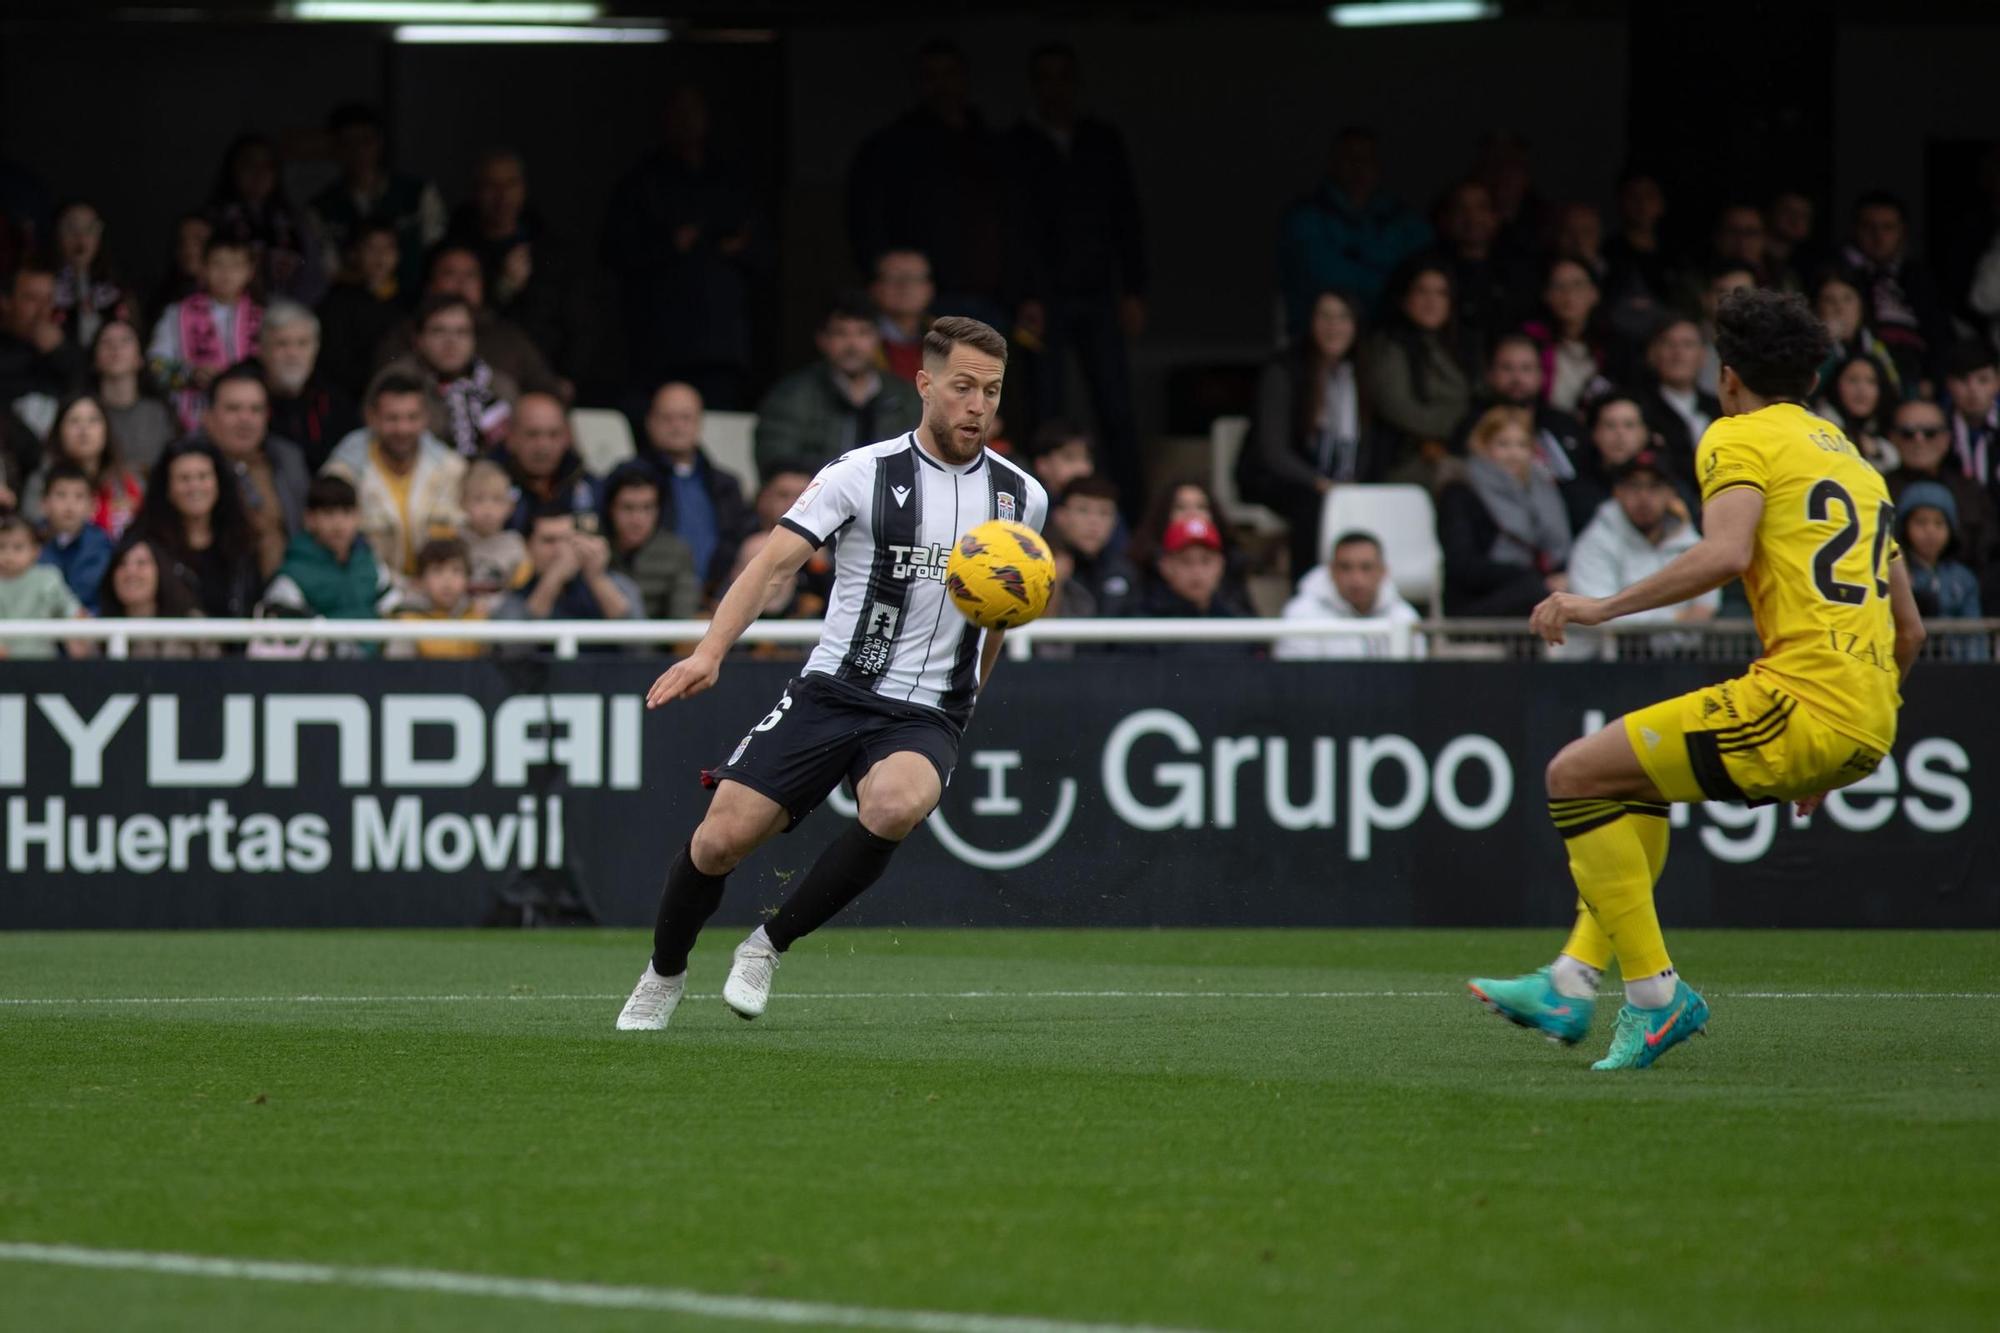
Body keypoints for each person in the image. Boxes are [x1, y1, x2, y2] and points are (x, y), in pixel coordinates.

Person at [1474, 288, 1924, 1070]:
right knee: (1627, 785)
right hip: (1867, 716)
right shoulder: (1857, 465)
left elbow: (1723, 554)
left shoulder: (1737, 435)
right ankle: (1570, 980)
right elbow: (1910, 629)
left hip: (1802, 700)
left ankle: (1655, 996)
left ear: (1726, 378)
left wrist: (1599, 605)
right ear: (1813, 381)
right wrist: (1848, 739)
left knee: (1572, 775)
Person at [615, 317, 1046, 1032]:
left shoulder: (1021, 497)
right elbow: (772, 564)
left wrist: (968, 701)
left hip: (926, 711)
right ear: (926, 383)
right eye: (964, 387)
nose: (978, 405)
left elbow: (1000, 613)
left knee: (896, 804)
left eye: (992, 391)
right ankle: (664, 971)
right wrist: (710, 650)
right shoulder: (861, 472)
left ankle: (767, 945)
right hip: (834, 690)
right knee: (720, 839)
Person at [1007, 44, 1148, 510]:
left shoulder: (1101, 140)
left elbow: (1127, 218)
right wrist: (1023, 295)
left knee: (1116, 406)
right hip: (1042, 298)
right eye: (1045, 78)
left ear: (1076, 84)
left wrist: (1133, 289)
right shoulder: (1018, 143)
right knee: (1046, 406)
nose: (1055, 88)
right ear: (1033, 86)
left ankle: (1124, 511)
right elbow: (1014, 228)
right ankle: (1043, 508)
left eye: (1063, 77)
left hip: (1099, 291)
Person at [603, 85, 758, 409]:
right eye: (679, 113)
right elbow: (615, 253)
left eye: (694, 113)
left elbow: (757, 248)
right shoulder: (643, 182)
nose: (687, 122)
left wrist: (726, 249)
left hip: (720, 343)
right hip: (658, 340)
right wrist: (672, 246)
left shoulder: (728, 179)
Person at [847, 44, 1009, 325]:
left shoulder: (990, 145)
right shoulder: (893, 146)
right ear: (919, 84)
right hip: (921, 298)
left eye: (949, 74)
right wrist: (886, 282)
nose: (942, 85)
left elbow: (1014, 220)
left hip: (993, 296)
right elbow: (867, 221)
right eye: (932, 76)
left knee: (990, 369)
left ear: (964, 78)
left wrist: (1021, 290)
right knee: (926, 369)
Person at [1243, 289, 1370, 577]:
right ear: (1311, 322)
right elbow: (1273, 452)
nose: (1333, 327)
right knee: (1312, 504)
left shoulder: (1360, 373)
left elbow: (1369, 440)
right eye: (1324, 317)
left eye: (1342, 318)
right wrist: (1318, 482)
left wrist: (1355, 480)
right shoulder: (1285, 369)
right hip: (1280, 478)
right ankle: (1308, 588)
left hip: (1340, 478)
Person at [1562, 449, 1719, 657]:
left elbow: (1702, 615)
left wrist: (1677, 625)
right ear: (1618, 492)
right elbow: (1597, 613)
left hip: (1672, 663)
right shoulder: (1596, 541)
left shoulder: (1690, 543)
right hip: (1595, 666)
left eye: (1654, 487)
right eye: (1634, 486)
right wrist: (1676, 621)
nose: (1644, 497)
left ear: (1671, 493)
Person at [1279, 126, 1430, 332]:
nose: (1358, 166)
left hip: (1389, 335)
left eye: (1366, 158)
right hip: (1321, 338)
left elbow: (1424, 271)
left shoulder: (1402, 219)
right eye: (1350, 158)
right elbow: (1327, 277)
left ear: (1377, 165)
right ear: (1333, 163)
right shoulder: (1305, 218)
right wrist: (1390, 281)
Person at [753, 294, 923, 475]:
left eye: (863, 333)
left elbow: (922, 457)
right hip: (816, 495)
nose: (852, 344)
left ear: (877, 339)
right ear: (822, 340)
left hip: (888, 497)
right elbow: (775, 459)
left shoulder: (905, 396)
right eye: (841, 333)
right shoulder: (792, 395)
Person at [321, 371, 467, 582]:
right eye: (392, 418)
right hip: (371, 594)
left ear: (425, 418)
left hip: (436, 599)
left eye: (412, 417)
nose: (402, 428)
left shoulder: (451, 470)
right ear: (371, 418)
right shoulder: (343, 474)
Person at [446, 148, 579, 376]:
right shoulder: (456, 251)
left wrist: (569, 378)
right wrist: (503, 288)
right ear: (476, 191)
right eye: (491, 185)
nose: (502, 196)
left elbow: (577, 322)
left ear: (523, 189)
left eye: (510, 184)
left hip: (544, 375)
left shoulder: (550, 250)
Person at [376, 243, 561, 399]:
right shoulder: (403, 335)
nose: (461, 282)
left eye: (470, 275)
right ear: (430, 283)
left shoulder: (508, 339)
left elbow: (548, 393)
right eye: (450, 273)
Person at [1437, 406, 1571, 616]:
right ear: (1483, 446)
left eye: (1522, 445)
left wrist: (1558, 576)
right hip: (1478, 600)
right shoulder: (1461, 492)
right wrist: (1531, 577)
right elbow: (1463, 566)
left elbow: (1557, 551)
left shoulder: (1544, 487)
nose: (1514, 454)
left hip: (1538, 588)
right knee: (1537, 594)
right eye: (1503, 444)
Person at [309, 103, 447, 298]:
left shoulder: (418, 193)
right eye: (348, 143)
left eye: (366, 141)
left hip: (413, 302)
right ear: (336, 148)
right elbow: (325, 269)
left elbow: (439, 254)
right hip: (352, 306)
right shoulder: (322, 208)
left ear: (379, 142)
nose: (358, 151)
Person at [636, 380, 758, 599]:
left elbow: (739, 541)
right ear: (650, 423)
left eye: (685, 418)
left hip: (716, 600)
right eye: (667, 418)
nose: (677, 426)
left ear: (699, 423)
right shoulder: (630, 479)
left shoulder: (726, 485)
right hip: (651, 600)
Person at [1362, 256, 1477, 481]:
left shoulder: (1460, 346)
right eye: (1422, 291)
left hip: (1464, 448)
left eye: (1441, 293)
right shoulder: (1387, 346)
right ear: (1404, 298)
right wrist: (1464, 426)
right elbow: (1401, 410)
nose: (1431, 301)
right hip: (1410, 458)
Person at [130, 436, 262, 619]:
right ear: (167, 488)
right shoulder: (146, 545)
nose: (195, 486)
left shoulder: (242, 542)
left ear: (218, 483)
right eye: (184, 479)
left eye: (203, 476)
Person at [202, 365, 311, 579]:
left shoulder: (288, 460)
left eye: (256, 409)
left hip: (288, 595)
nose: (246, 419)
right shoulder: (189, 464)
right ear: (208, 417)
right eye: (233, 409)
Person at [379, 292, 518, 457]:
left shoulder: (499, 386)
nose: (451, 341)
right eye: (439, 331)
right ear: (418, 340)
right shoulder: (396, 380)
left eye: (461, 332)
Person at [149, 234, 262, 434]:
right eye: (218, 264)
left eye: (235, 265)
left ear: (250, 271)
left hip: (247, 419)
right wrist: (190, 374)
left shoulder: (264, 318)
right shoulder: (176, 313)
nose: (226, 273)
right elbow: (154, 365)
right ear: (203, 268)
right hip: (193, 419)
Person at [1840, 191, 1951, 392]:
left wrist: (1932, 380)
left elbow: (1940, 335)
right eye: (1869, 227)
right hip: (1862, 375)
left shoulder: (1919, 278)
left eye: (1888, 228)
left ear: (1902, 232)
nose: (1878, 236)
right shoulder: (1841, 275)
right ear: (1855, 230)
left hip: (1915, 373)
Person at [492, 504, 641, 651]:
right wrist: (554, 579)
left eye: (567, 539)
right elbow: (512, 649)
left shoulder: (615, 583)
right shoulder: (515, 595)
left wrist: (596, 578)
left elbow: (640, 645)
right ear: (528, 545)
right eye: (549, 541)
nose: (560, 550)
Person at [260, 474, 399, 629]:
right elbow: (282, 634)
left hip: (375, 652)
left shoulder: (371, 565)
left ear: (358, 517)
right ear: (309, 519)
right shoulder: (291, 577)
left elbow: (394, 610)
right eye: (328, 513)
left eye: (346, 512)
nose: (338, 523)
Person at [206, 132, 324, 303]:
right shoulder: (214, 220)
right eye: (249, 164)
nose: (258, 172)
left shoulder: (295, 222)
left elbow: (313, 277)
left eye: (267, 165)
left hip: (288, 316)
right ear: (233, 169)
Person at [1450, 333, 1584, 482]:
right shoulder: (1472, 427)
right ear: (1490, 374)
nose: (1517, 378)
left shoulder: (1563, 424)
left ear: (1541, 376)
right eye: (1507, 368)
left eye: (1526, 368)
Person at [1883, 398, 1992, 580]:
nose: (1919, 440)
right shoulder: (1877, 488)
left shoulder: (1972, 492)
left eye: (1930, 433)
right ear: (1892, 438)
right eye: (1908, 433)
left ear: (1946, 438)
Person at [1273, 530, 1423, 660]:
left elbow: (1413, 681)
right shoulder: (1301, 615)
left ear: (1383, 571)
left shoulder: (1404, 617)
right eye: (1346, 568)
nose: (1356, 579)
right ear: (1331, 571)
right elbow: (1295, 681)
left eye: (1366, 568)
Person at [18, 393, 143, 538]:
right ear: (59, 431)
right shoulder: (42, 481)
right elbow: (30, 536)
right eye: (74, 421)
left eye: (93, 420)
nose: (84, 430)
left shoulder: (127, 482)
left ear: (106, 430)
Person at [259, 299, 359, 472]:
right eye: (282, 344)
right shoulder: (245, 395)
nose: (293, 353)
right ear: (263, 349)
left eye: (302, 343)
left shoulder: (334, 401)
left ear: (316, 349)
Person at [1126, 514, 1254, 647]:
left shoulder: (1240, 623)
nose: (1197, 572)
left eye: (1206, 561)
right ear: (1165, 566)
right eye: (1186, 561)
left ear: (1220, 565)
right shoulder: (1142, 627)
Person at [315, 220, 406, 400]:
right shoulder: (337, 302)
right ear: (355, 253)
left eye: (387, 248)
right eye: (371, 248)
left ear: (398, 254)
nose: (380, 256)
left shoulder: (408, 301)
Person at [601, 466, 702, 620]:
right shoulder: (595, 548)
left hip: (658, 642)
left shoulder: (676, 553)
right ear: (610, 509)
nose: (637, 520)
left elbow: (682, 619)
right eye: (628, 508)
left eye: (647, 508)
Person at [96, 536, 217, 657]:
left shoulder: (192, 625)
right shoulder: (98, 631)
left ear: (160, 571)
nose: (131, 571)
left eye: (141, 563)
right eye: (122, 563)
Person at [1635, 316, 1722, 484]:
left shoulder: (1720, 409)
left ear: (1703, 355)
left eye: (1688, 344)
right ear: (1653, 353)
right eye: (1669, 344)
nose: (1678, 354)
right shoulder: (1639, 409)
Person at [1518, 258, 1610, 415]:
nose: (1569, 294)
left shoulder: (1613, 344)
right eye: (1559, 286)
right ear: (1546, 295)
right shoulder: (1530, 340)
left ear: (1594, 294)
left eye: (1577, 285)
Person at [0, 258, 84, 427]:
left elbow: (83, 393)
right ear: (6, 302)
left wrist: (59, 352)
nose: (42, 310)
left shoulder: (63, 345)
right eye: (32, 299)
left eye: (48, 299)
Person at [1562, 392, 1660, 534]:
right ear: (1594, 433)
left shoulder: (1667, 487)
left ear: (1645, 433)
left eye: (1629, 425)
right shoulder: (1572, 495)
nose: (1619, 434)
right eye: (1610, 425)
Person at [89, 318, 177, 476]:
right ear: (95, 358)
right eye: (106, 342)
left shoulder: (158, 413)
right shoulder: (83, 411)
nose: (115, 348)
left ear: (140, 358)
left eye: (125, 341)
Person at [497, 392, 595, 532]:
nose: (543, 445)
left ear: (567, 438)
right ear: (511, 438)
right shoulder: (487, 482)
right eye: (532, 434)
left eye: (553, 434)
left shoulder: (587, 484)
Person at [49, 200, 136, 352]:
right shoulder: (45, 288)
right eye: (71, 228)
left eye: (90, 229)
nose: (80, 237)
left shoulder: (116, 290)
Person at [0, 513, 85, 660]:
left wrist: (78, 629)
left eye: (18, 547)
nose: (8, 554)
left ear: (36, 551)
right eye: (1, 547)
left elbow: (71, 610)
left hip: (42, 664)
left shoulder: (48, 578)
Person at [1051, 474, 1137, 616]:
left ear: (1115, 522)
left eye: (1104, 513)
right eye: (1083, 510)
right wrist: (1055, 584)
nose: (1094, 522)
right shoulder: (1041, 566)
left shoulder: (1125, 572)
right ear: (1060, 516)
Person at [386, 537, 486, 659]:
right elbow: (398, 672)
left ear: (468, 579)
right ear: (420, 581)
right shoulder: (406, 623)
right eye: (437, 571)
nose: (447, 581)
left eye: (456, 571)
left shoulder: (479, 616)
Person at [33, 462, 113, 612]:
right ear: (44, 503)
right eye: (61, 495)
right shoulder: (28, 541)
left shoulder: (101, 545)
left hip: (90, 628)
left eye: (79, 496)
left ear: (92, 506)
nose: (70, 505)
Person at [1896, 482, 1981, 621]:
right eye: (1921, 522)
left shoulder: (1964, 578)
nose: (1930, 531)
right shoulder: (1896, 573)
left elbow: (1975, 635)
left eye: (1939, 523)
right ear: (1904, 528)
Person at [1811, 267, 1901, 399]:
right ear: (1817, 309)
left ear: (1861, 305)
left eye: (1847, 299)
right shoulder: (1810, 350)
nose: (1839, 308)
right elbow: (1808, 393)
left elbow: (1895, 392)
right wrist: (1826, 344)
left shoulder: (1876, 347)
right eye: (1829, 300)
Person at [457, 458, 527, 610]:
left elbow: (521, 586)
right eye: (478, 499)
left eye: (497, 500)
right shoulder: (454, 540)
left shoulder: (514, 544)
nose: (488, 510)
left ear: (510, 506)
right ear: (462, 502)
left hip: (500, 619)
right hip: (461, 615)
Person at [1814, 352, 1899, 472]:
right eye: (1853, 380)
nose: (1861, 389)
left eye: (1871, 381)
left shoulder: (1884, 446)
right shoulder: (1818, 429)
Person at [1941, 339, 2000, 496]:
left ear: (1997, 382)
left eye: (1983, 380)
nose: (1973, 390)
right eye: (1963, 380)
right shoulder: (1935, 431)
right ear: (1949, 384)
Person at [869, 248, 934, 383]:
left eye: (915, 279)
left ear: (929, 289)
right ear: (875, 288)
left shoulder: (950, 337)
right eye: (893, 277)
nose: (905, 286)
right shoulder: (855, 337)